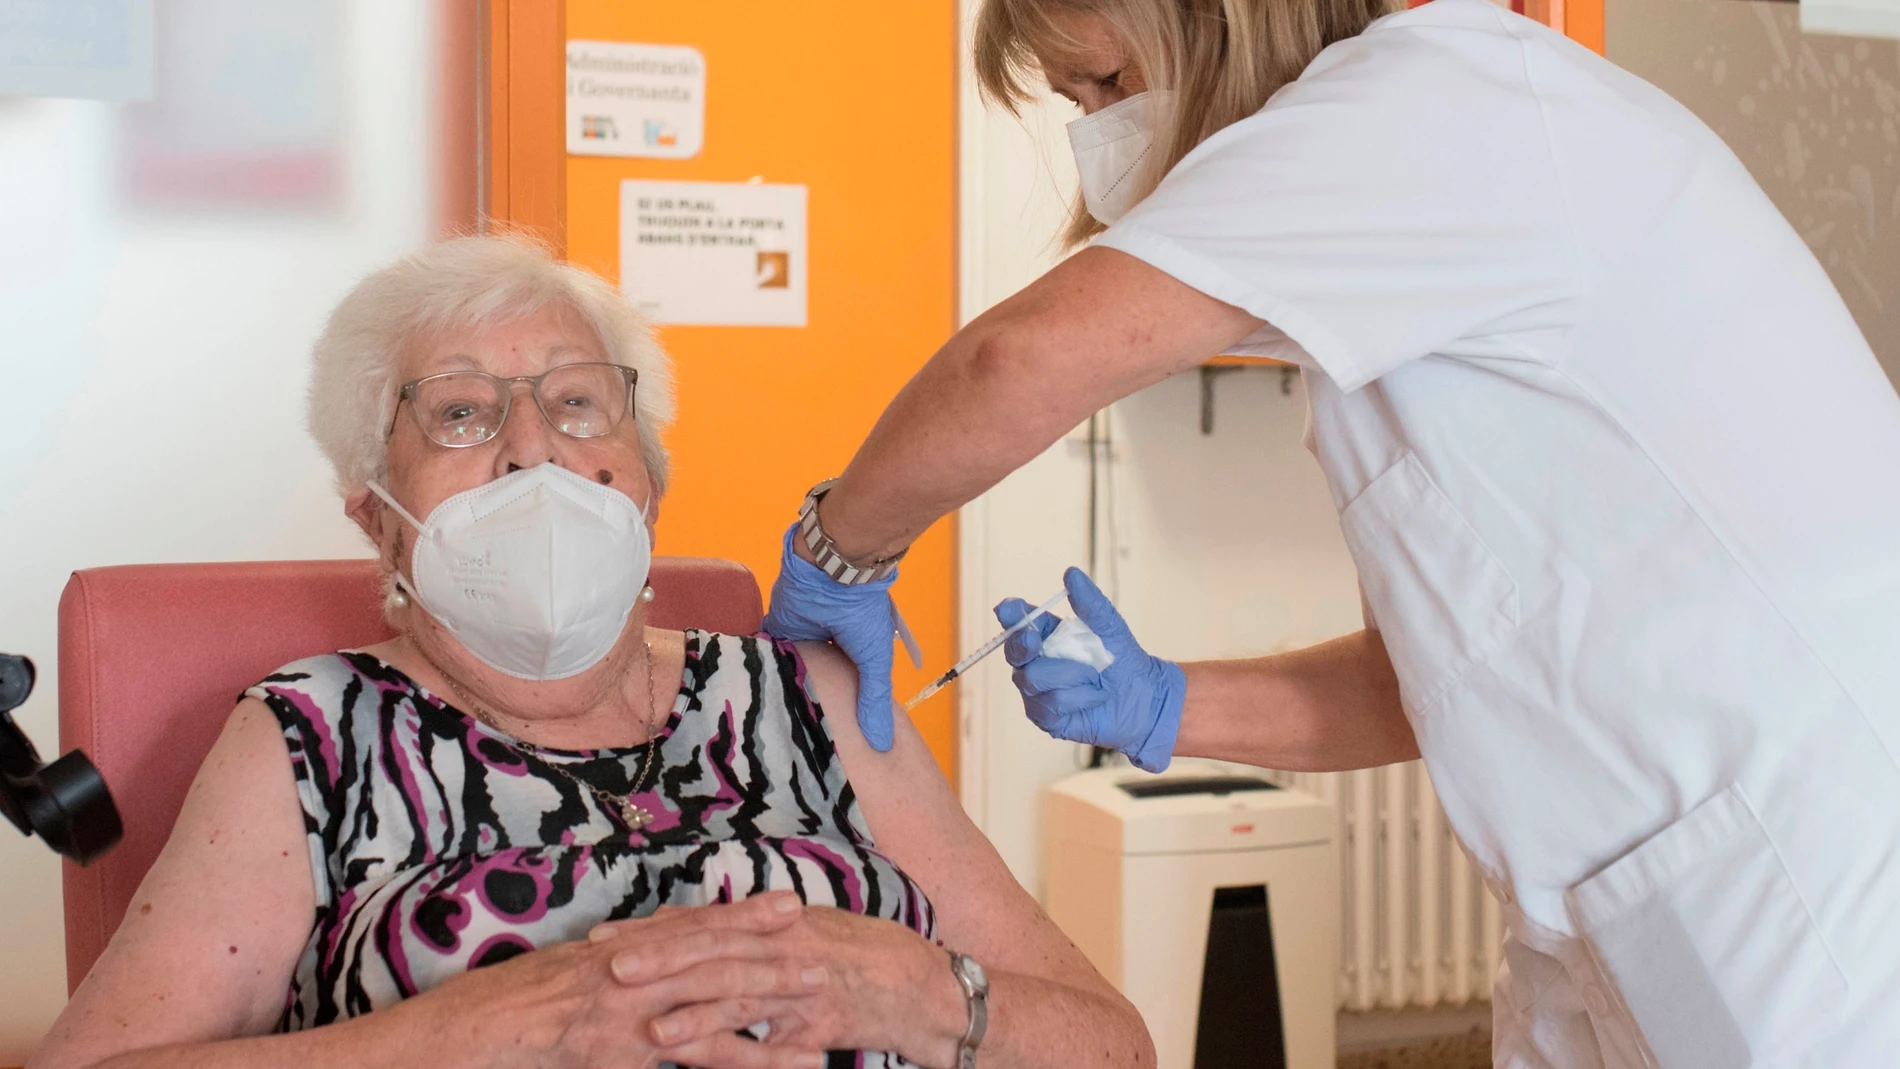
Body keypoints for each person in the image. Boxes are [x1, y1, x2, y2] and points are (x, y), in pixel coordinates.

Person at [760, 0, 1900, 1066]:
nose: (1098, 131)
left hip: (1803, 884)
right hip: (1626, 912)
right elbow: (1418, 685)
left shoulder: (1432, 107)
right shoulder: (1383, 297)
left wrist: (838, 546)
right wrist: (1162, 700)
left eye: (1104, 77)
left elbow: (1018, 358)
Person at [30, 236, 1153, 1069]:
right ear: (376, 515)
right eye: (460, 415)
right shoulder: (313, 737)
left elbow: (1112, 1044)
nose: (535, 451)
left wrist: (923, 992)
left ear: (649, 482)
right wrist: (471, 1032)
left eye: (578, 403)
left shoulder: (801, 696)